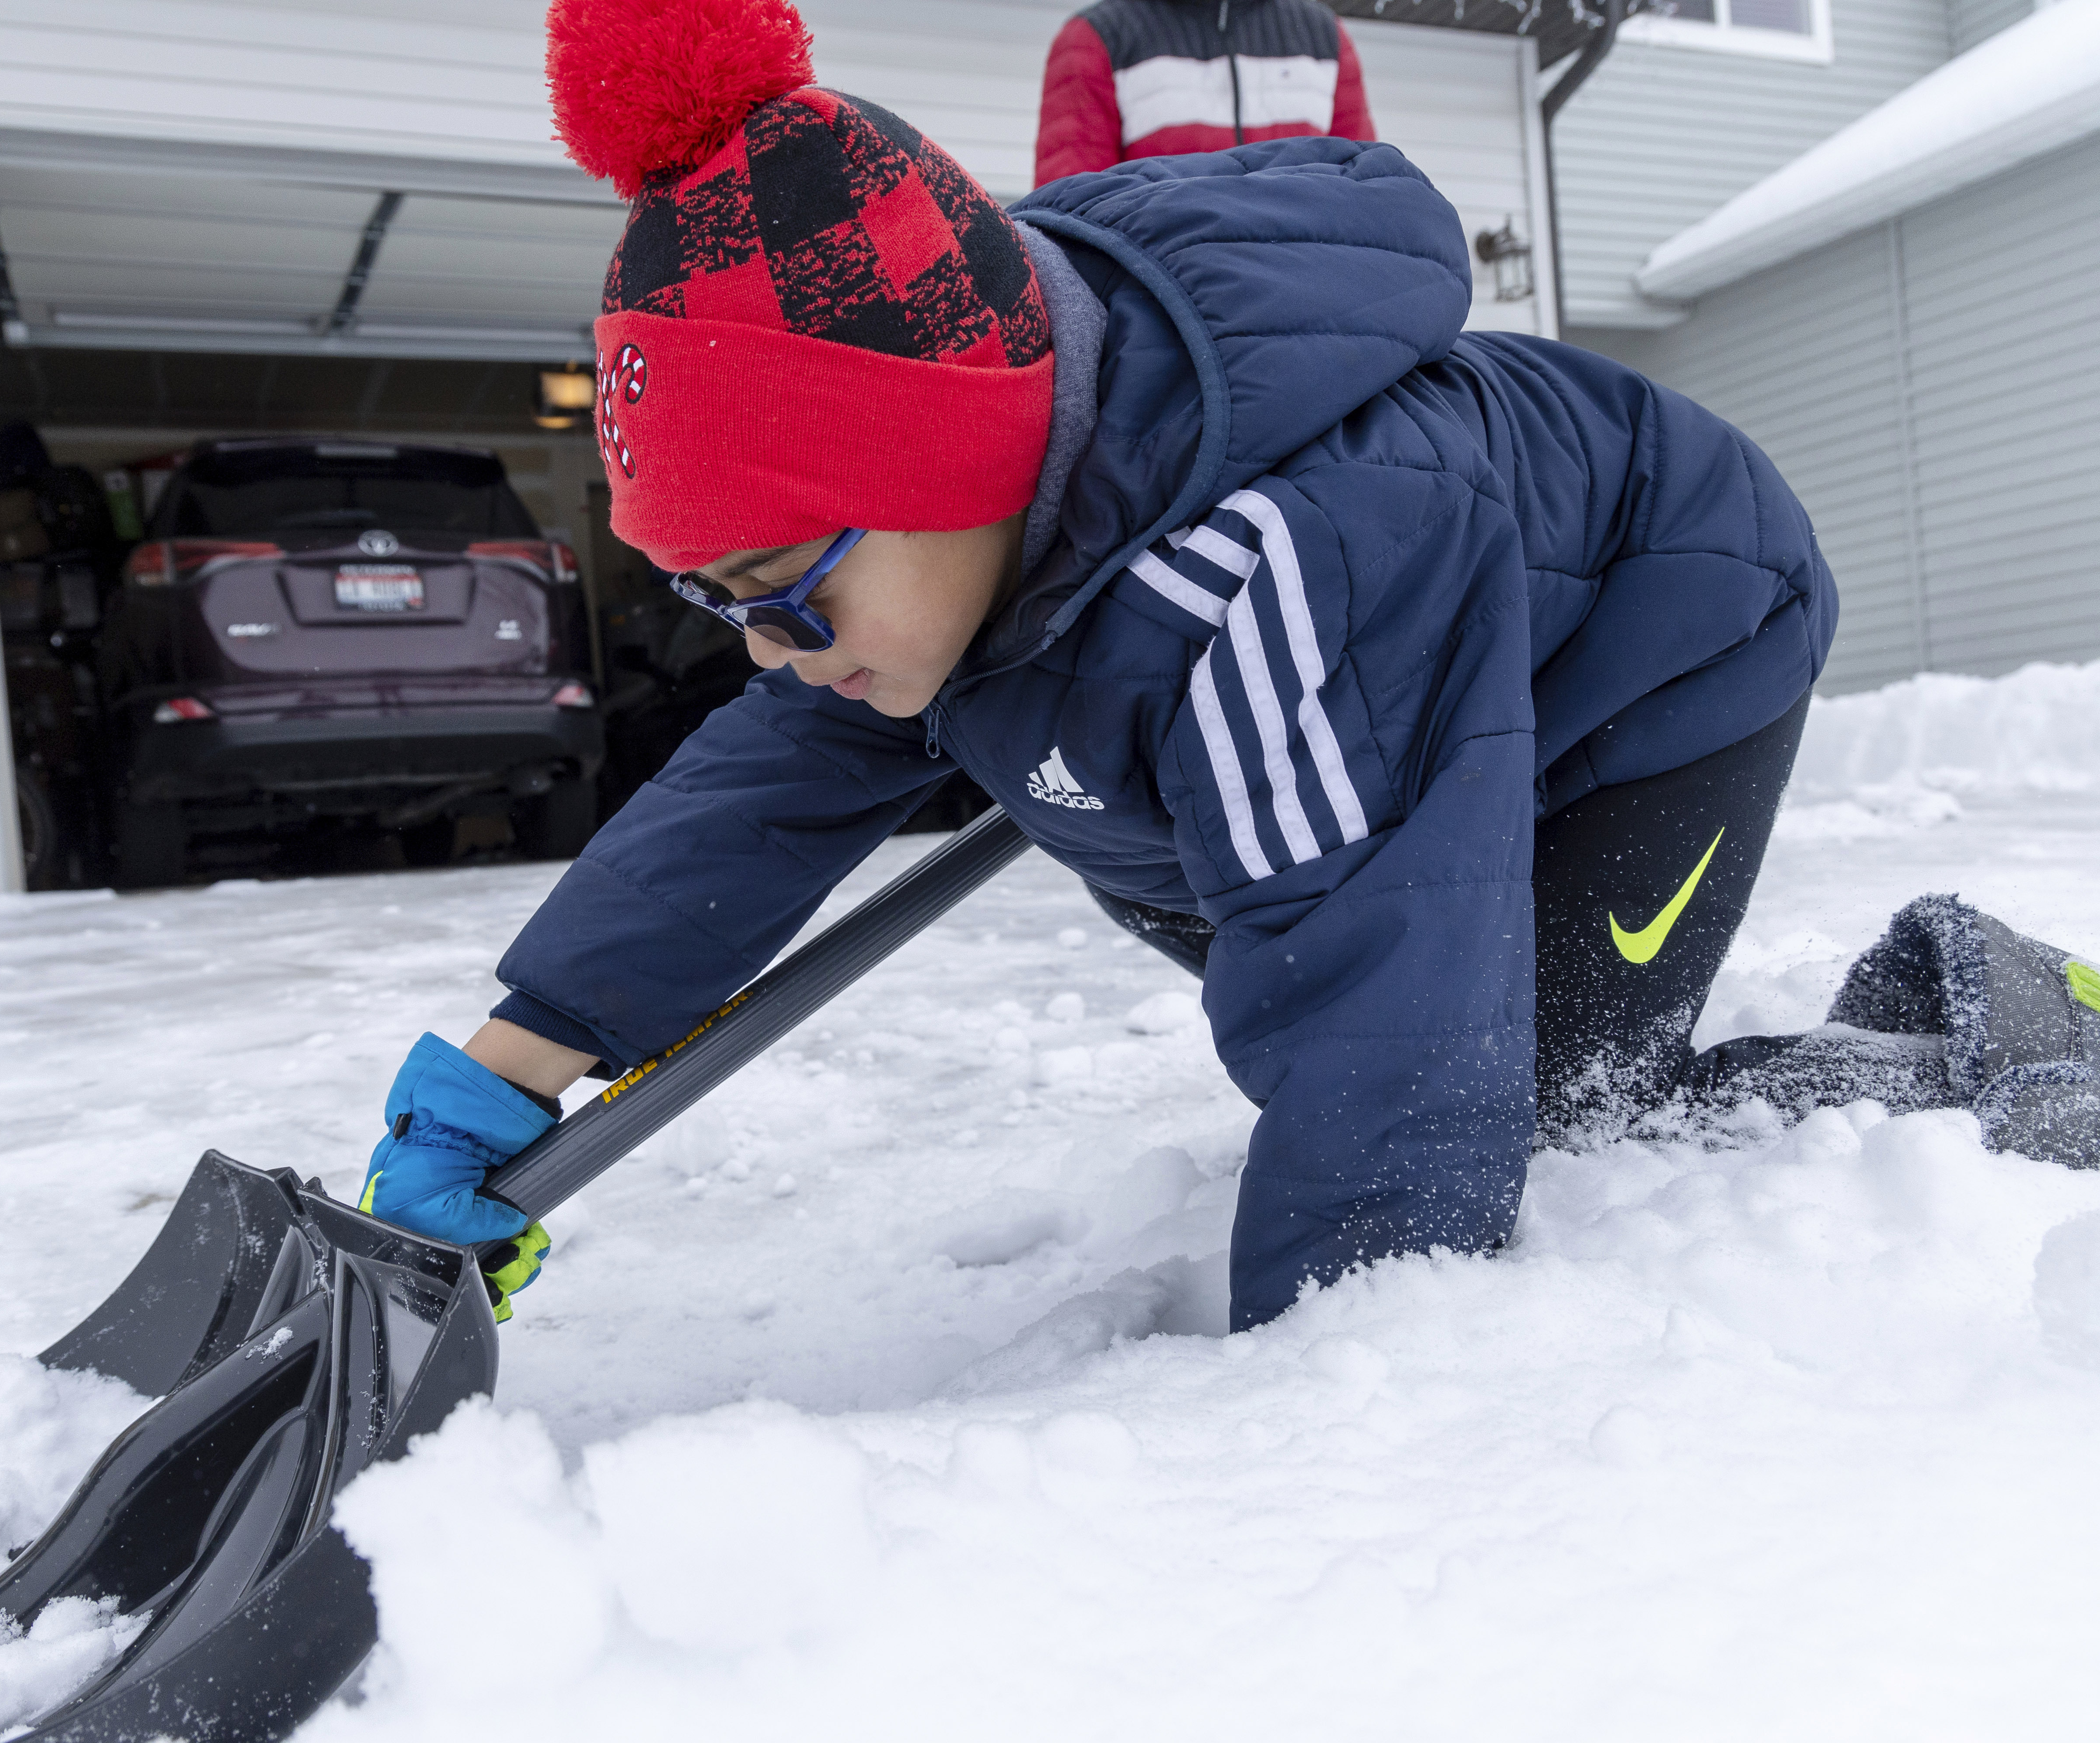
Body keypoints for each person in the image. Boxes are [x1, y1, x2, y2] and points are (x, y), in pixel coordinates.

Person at [360, 0, 2100, 1331]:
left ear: (958, 472)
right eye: (721, 602)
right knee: (1299, 883)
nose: (765, 646)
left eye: (785, 595)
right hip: (1414, 664)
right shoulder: (946, 553)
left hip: (1659, 654)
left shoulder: (1277, 566)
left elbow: (1388, 1012)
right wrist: (516, 1060)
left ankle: (1973, 1030)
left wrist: (1323, 1395)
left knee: (1560, 1112)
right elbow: (760, 794)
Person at [1034, 0, 1376, 189]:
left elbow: (1368, 192)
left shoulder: (1324, 37)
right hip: (1162, 308)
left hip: (1308, 305)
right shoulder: (1096, 38)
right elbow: (1071, 217)